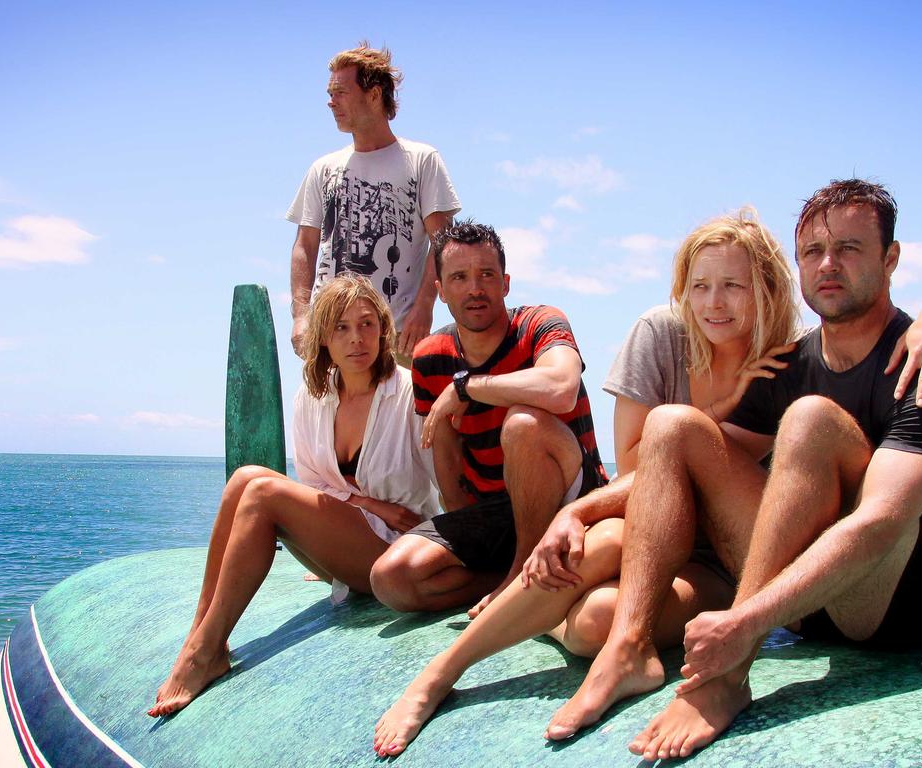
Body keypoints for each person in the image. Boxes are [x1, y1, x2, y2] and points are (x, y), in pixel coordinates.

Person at [537, 179, 922, 762]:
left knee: (809, 421)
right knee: (673, 425)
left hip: (894, 610)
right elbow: (685, 459)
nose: (828, 265)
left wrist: (741, 623)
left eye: (850, 249)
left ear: (891, 260)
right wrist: (578, 511)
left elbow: (883, 521)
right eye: (813, 252)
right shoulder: (792, 362)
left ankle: (727, 677)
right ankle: (630, 648)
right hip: (804, 606)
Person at [372, 207, 799, 757]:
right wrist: (577, 516)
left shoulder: (785, 356)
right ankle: (437, 676)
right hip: (652, 518)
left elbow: (690, 452)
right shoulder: (660, 334)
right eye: (701, 286)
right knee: (593, 550)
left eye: (733, 286)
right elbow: (645, 468)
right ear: (683, 290)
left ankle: (548, 616)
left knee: (594, 621)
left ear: (763, 288)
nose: (714, 302)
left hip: (722, 554)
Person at [149, 274, 438, 717]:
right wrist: (371, 504)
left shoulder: (409, 394)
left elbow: (443, 482)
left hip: (397, 550)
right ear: (323, 337)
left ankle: (202, 654)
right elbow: (318, 485)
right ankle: (203, 636)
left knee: (262, 490)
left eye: (366, 324)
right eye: (340, 327)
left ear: (383, 329)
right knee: (245, 478)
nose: (356, 338)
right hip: (355, 533)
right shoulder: (314, 397)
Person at [368, 220, 609, 620]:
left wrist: (468, 388)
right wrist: (464, 529)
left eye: (486, 275)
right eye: (459, 277)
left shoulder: (539, 324)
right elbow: (444, 447)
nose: (475, 289)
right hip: (497, 510)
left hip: (570, 495)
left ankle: (518, 582)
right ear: (441, 291)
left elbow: (562, 385)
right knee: (392, 579)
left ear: (505, 283)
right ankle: (507, 575)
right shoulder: (432, 357)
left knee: (523, 425)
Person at [286, 42, 461, 362]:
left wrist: (425, 307)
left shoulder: (422, 160)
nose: (330, 102)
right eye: (330, 92)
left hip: (397, 335)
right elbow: (305, 246)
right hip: (331, 338)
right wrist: (301, 315)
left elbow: (443, 242)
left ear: (374, 93)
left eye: (340, 92)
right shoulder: (322, 169)